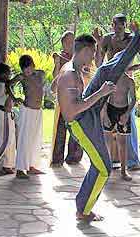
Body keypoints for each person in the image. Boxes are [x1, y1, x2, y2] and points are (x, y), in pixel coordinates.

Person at [56, 25, 140, 221]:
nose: (94, 57)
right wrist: (102, 93)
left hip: (87, 115)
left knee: (106, 71)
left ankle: (136, 42)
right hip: (80, 123)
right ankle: (84, 211)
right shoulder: (69, 75)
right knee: (104, 167)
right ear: (86, 50)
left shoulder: (76, 69)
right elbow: (73, 110)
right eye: (93, 53)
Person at [93, 13, 140, 171]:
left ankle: (132, 161)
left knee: (128, 119)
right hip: (110, 81)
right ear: (111, 25)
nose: (117, 28)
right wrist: (98, 43)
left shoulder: (132, 39)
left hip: (126, 81)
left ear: (125, 26)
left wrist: (132, 68)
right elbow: (98, 63)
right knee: (108, 123)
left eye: (121, 25)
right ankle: (110, 161)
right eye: (115, 25)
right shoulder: (107, 39)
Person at [50, 31, 84, 167]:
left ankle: (74, 157)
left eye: (73, 42)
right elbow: (55, 77)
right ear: (63, 43)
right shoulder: (60, 57)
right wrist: (58, 64)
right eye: (69, 42)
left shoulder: (77, 58)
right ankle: (57, 157)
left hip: (75, 98)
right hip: (63, 99)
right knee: (60, 128)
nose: (71, 45)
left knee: (76, 128)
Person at [102, 65, 136, 181]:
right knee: (108, 142)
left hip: (123, 110)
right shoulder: (111, 80)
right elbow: (104, 99)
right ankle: (107, 169)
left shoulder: (129, 81)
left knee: (122, 143)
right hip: (111, 110)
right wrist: (105, 115)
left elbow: (133, 99)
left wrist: (127, 114)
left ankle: (123, 171)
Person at [15, 55, 45, 179]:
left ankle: (32, 166)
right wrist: (14, 97)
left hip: (38, 111)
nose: (27, 72)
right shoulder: (21, 77)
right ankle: (20, 169)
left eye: (29, 69)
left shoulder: (41, 74)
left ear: (33, 65)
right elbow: (8, 84)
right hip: (27, 110)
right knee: (24, 139)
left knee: (35, 139)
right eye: (24, 70)